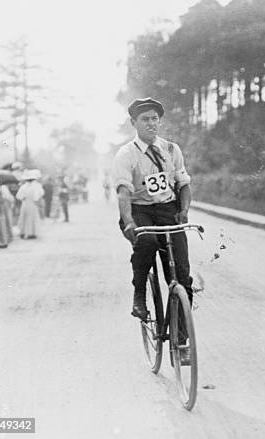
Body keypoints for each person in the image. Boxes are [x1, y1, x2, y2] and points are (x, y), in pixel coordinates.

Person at [111, 98, 193, 333]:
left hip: (167, 209)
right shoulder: (126, 154)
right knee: (146, 241)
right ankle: (139, 295)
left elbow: (183, 183)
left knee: (182, 275)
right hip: (139, 210)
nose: (151, 124)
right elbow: (124, 191)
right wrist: (129, 222)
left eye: (154, 119)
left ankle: (181, 335)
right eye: (145, 119)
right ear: (134, 123)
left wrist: (183, 211)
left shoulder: (170, 149)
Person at [16, 170, 44, 239]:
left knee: (24, 217)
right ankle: (32, 233)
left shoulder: (23, 186)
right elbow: (37, 197)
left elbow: (18, 196)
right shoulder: (37, 186)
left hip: (25, 203)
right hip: (32, 204)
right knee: (32, 218)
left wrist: (24, 198)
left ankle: (23, 232)